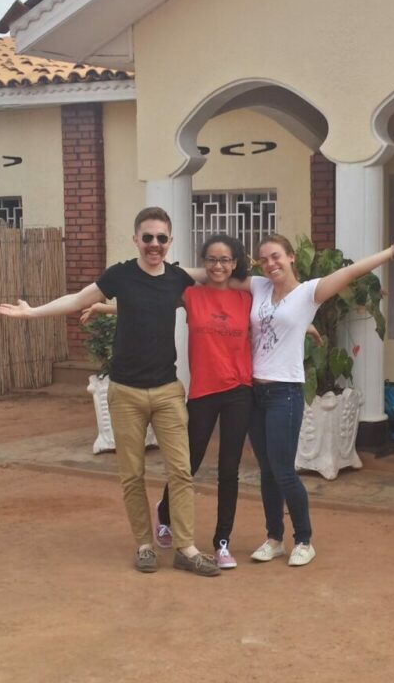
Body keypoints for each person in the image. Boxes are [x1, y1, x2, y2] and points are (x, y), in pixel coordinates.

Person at [0, 207, 219, 577]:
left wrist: (258, 272)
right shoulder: (120, 275)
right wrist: (33, 313)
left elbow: (216, 273)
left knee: (181, 472)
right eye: (147, 237)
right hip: (126, 392)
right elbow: (80, 298)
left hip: (167, 391)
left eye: (161, 238)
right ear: (136, 239)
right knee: (132, 473)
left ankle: (186, 547)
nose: (154, 244)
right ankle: (145, 545)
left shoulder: (178, 279)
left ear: (170, 241)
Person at [245, 233, 394, 567]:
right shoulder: (258, 286)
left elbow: (351, 273)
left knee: (284, 470)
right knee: (267, 471)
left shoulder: (308, 292)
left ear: (290, 258)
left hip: (284, 392)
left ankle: (303, 540)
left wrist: (392, 251)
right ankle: (274, 538)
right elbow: (213, 274)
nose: (269, 263)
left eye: (275, 256)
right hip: (254, 392)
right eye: (263, 258)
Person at [81, 234, 254, 569]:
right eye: (212, 260)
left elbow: (271, 317)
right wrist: (105, 305)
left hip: (239, 390)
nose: (218, 266)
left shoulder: (246, 298)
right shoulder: (189, 293)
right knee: (187, 465)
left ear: (234, 263)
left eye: (225, 260)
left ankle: (221, 542)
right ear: (204, 264)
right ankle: (165, 512)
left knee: (230, 468)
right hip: (203, 390)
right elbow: (146, 304)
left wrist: (308, 328)